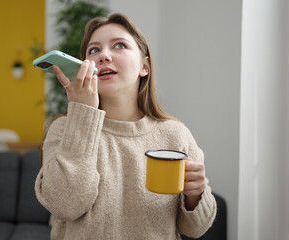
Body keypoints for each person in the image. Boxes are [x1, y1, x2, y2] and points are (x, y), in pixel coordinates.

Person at [35, 13, 217, 240]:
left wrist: (196, 194)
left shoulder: (175, 134)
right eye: (94, 50)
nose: (103, 56)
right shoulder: (63, 129)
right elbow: (65, 205)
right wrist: (82, 115)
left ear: (145, 67)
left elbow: (195, 228)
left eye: (119, 45)